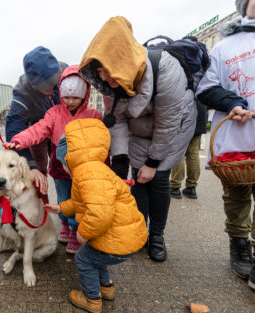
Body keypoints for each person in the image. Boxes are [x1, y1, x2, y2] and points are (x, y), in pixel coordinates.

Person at [78, 17, 196, 262]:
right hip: (138, 130)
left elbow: (168, 123)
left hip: (172, 128)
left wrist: (153, 162)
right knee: (137, 180)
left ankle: (156, 236)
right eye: (99, 72)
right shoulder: (110, 83)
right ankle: (139, 230)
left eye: (107, 72)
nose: (105, 79)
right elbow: (117, 120)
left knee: (158, 179)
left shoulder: (166, 68)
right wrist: (120, 157)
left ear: (122, 62)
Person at [44, 118, 147, 313]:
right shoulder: (95, 169)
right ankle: (106, 289)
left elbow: (99, 213)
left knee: (84, 259)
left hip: (119, 240)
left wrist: (83, 232)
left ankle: (92, 299)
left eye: (62, 162)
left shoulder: (86, 174)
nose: (64, 168)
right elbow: (87, 201)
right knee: (95, 256)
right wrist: (62, 208)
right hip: (124, 236)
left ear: (69, 157)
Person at [4, 65, 102, 254]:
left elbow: (102, 144)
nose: (70, 101)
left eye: (75, 97)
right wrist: (19, 140)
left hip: (83, 167)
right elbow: (38, 129)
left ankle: (75, 230)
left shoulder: (94, 115)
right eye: (66, 97)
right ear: (60, 94)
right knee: (64, 197)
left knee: (79, 199)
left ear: (85, 95)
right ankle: (65, 224)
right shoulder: (55, 113)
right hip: (59, 165)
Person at [196, 0, 255, 289]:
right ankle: (239, 244)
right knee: (237, 196)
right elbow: (206, 88)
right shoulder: (224, 46)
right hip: (236, 139)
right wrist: (232, 102)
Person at [5, 46, 67, 195]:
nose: (51, 90)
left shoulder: (66, 72)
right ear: (33, 85)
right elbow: (14, 128)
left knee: (64, 168)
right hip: (38, 130)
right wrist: (29, 166)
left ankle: (67, 204)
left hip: (64, 130)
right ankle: (41, 208)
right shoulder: (23, 92)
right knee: (37, 172)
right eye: (45, 86)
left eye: (53, 83)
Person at [170, 99, 207, 199]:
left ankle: (175, 187)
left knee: (179, 153)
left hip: (183, 113)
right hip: (199, 112)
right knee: (193, 154)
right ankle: (191, 187)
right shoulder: (199, 82)